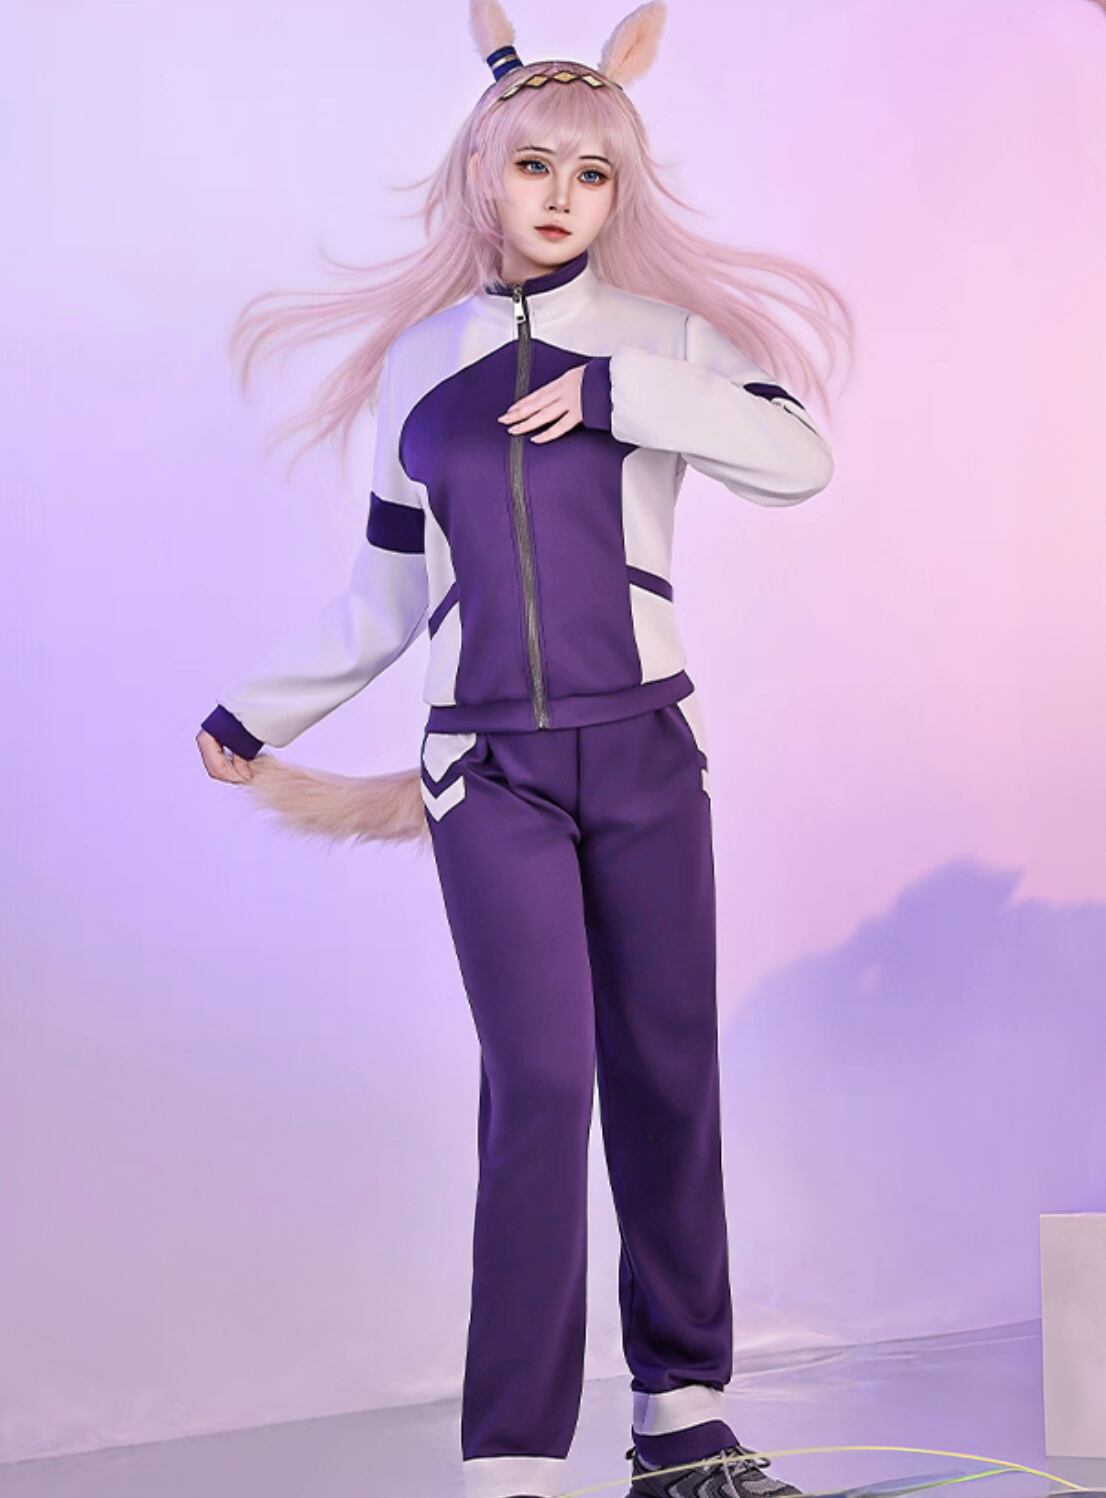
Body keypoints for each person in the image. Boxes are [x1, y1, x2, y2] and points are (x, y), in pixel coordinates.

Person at [196, 4, 853, 1496]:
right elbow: (386, 595)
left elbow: (800, 461)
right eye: (535, 165)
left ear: (621, 192)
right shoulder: (417, 366)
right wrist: (260, 713)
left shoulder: (665, 341)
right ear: (483, 174)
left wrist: (626, 394)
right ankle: (512, 1459)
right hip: (485, 774)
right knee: (542, 1086)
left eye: (593, 173)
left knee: (667, 1074)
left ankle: (680, 1414)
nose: (562, 195)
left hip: (646, 754)